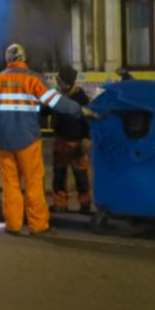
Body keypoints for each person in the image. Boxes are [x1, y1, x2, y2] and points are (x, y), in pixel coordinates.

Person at [0, 43, 83, 236]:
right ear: (24, 59)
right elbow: (56, 102)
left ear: (7, 60)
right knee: (33, 182)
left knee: (10, 184)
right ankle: (38, 225)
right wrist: (78, 110)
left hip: (3, 140)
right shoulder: (33, 79)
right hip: (27, 139)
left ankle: (13, 224)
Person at [50, 65, 92, 214]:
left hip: (77, 143)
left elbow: (88, 119)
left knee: (81, 177)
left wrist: (87, 138)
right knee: (59, 176)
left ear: (65, 81)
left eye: (59, 78)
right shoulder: (57, 96)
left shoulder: (81, 98)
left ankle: (85, 205)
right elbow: (45, 110)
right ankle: (60, 204)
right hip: (60, 141)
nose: (57, 81)